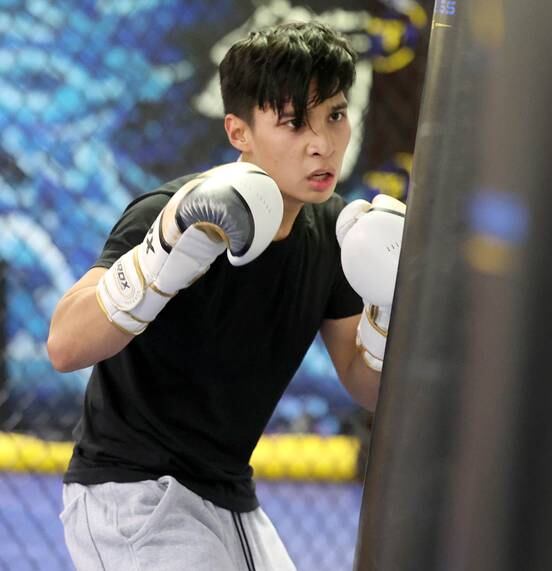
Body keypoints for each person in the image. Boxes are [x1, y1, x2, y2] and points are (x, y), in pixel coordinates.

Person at [47, 21, 405, 571]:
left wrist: (385, 311)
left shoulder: (335, 234)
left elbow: (367, 384)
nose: (322, 143)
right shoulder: (176, 211)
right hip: (132, 492)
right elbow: (64, 346)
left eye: (335, 115)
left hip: (232, 499)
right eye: (293, 123)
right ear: (239, 133)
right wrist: (160, 257)